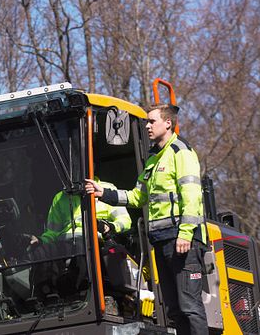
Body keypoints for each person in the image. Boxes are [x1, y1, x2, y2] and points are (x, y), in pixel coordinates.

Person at [85, 104, 207, 335]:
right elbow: (136, 196)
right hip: (161, 242)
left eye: (152, 121)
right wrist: (104, 193)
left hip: (182, 241)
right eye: (147, 122)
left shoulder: (180, 152)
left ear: (168, 123)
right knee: (174, 309)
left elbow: (192, 196)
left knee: (190, 307)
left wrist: (185, 233)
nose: (147, 126)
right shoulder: (152, 158)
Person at [37, 178, 132, 245]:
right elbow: (52, 233)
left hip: (98, 244)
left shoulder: (106, 190)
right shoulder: (60, 198)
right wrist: (40, 241)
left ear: (92, 165)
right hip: (66, 248)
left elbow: (125, 221)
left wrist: (109, 227)